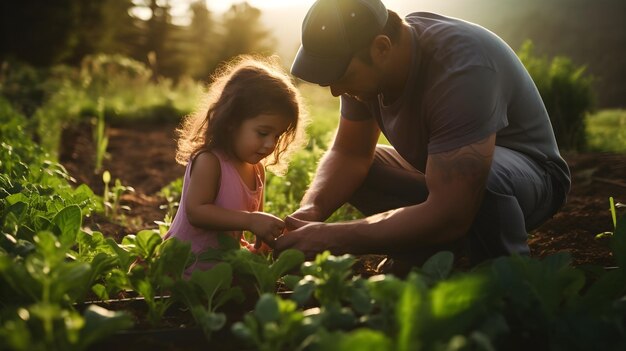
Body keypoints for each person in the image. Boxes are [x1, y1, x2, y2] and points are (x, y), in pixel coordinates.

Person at [275, 0, 571, 268]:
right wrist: (311, 212)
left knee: (480, 178)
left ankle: (505, 273)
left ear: (381, 48)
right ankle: (429, 251)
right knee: (361, 168)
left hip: (533, 178)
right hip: (442, 176)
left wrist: (332, 238)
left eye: (342, 76)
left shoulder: (461, 68)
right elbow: (349, 154)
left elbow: (452, 213)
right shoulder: (367, 66)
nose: (336, 90)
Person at [164, 55, 307, 275]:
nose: (270, 144)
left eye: (277, 136)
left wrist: (262, 240)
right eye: (262, 133)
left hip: (221, 268)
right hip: (186, 266)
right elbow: (196, 212)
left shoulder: (257, 170)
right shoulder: (210, 161)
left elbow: (241, 231)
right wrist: (250, 220)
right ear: (231, 121)